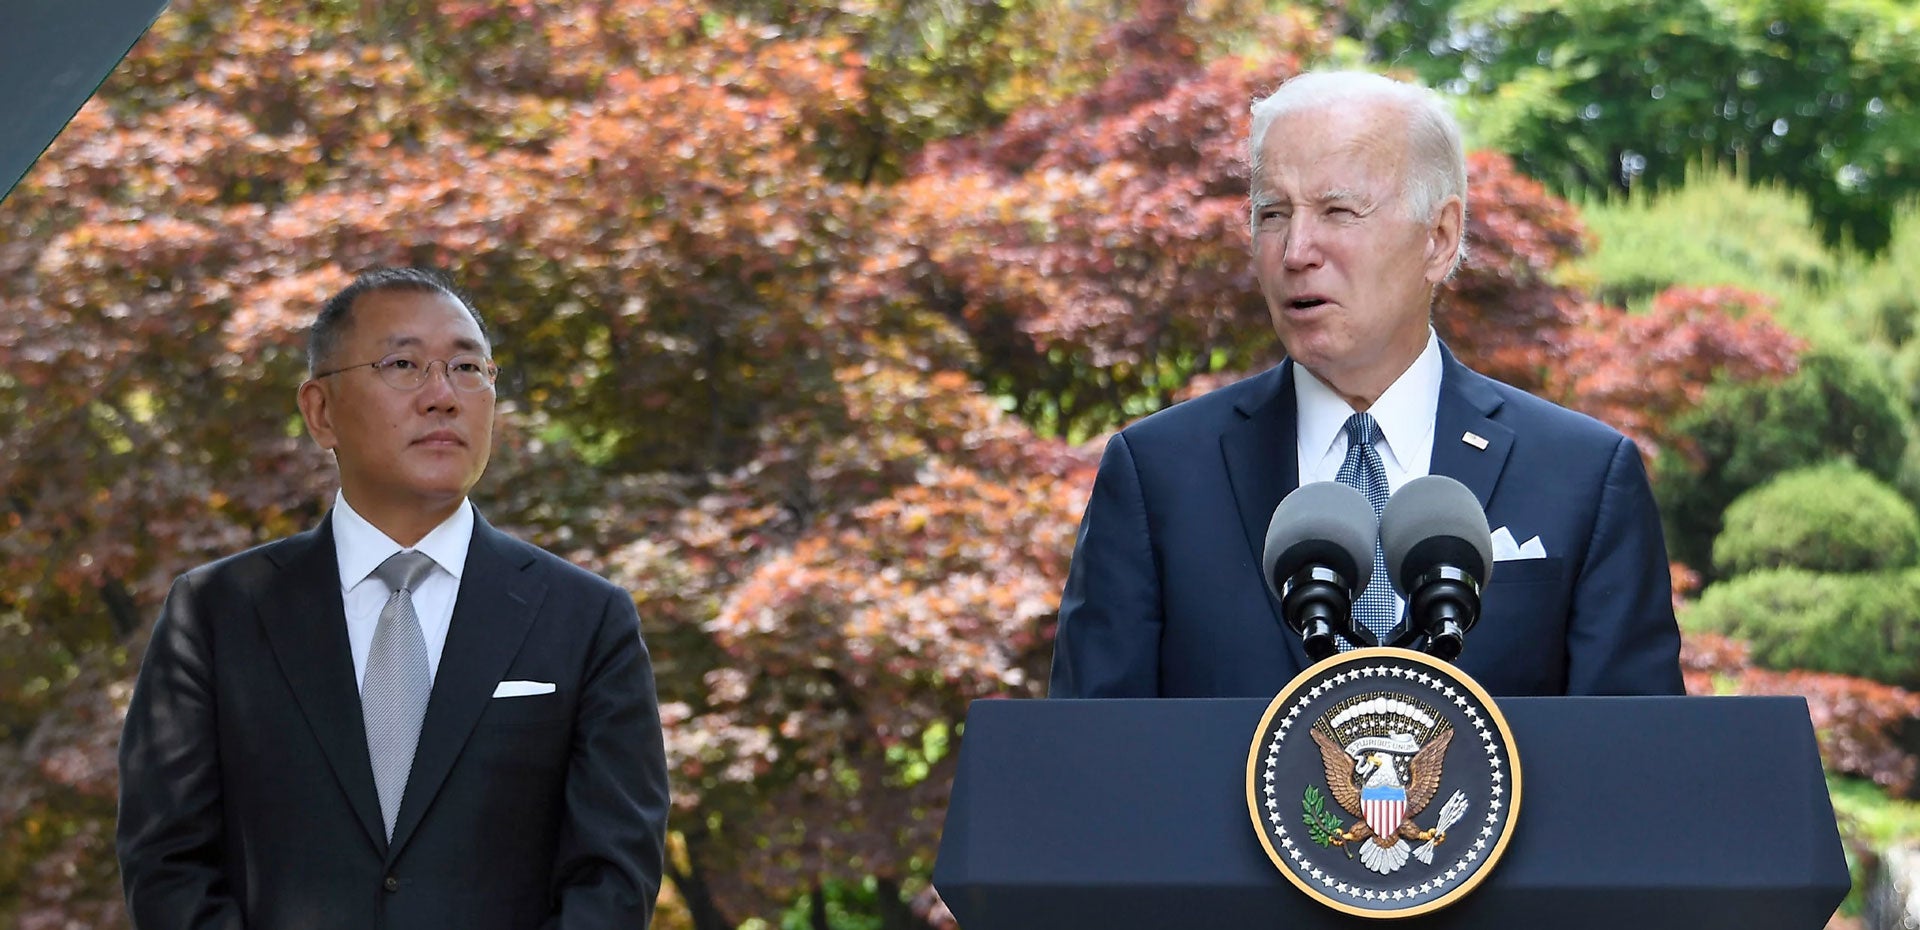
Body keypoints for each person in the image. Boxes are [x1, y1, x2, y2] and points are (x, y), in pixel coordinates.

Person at [1048, 71, 1684, 699]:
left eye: (1338, 211)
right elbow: (1091, 760)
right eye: (1272, 214)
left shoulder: (1584, 475)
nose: (1296, 250)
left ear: (1439, 238)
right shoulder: (1157, 474)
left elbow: (1636, 767)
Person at [117, 267, 670, 929]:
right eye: (404, 363)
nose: (442, 395)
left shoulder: (585, 618)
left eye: (468, 368)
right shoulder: (217, 613)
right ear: (321, 412)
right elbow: (167, 861)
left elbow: (614, 877)